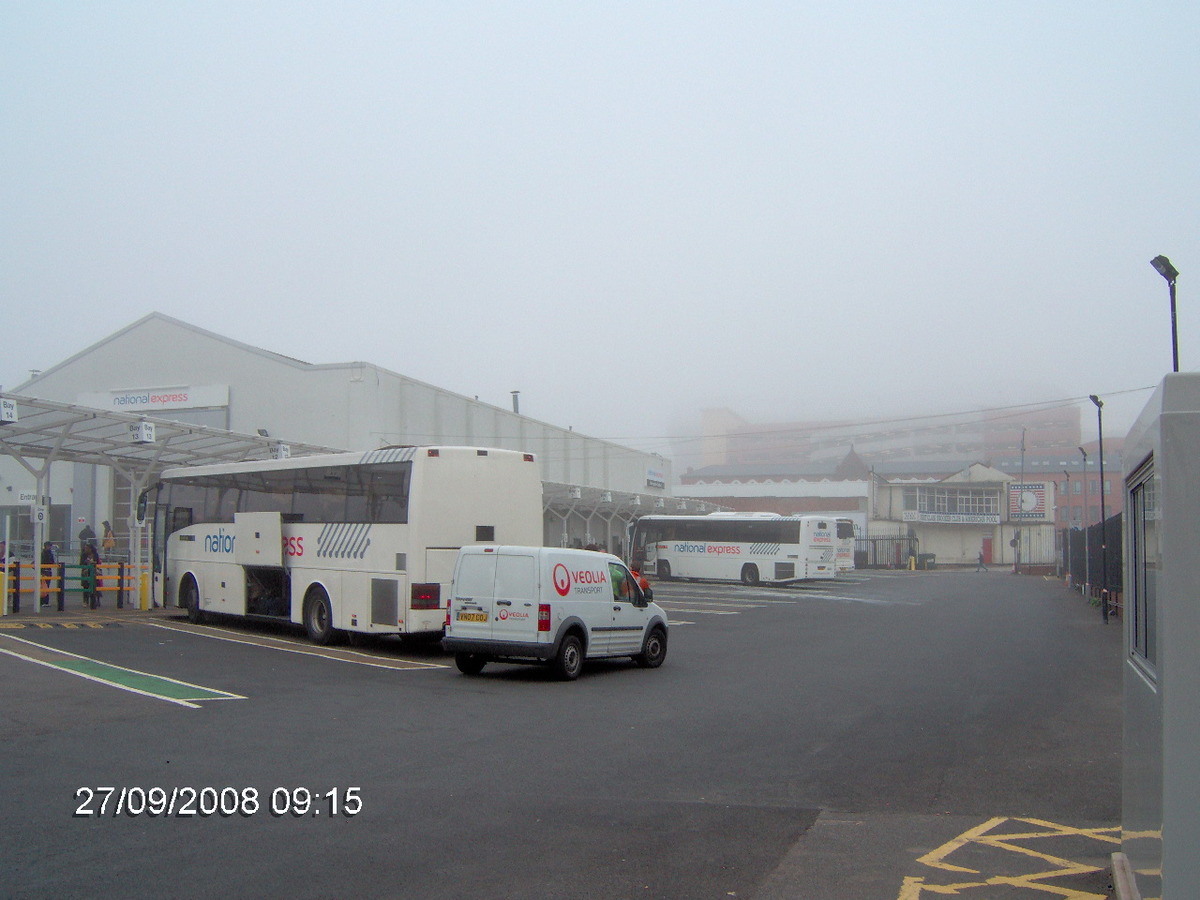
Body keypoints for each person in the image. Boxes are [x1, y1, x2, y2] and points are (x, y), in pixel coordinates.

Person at [80, 543, 103, 608]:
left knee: (96, 586)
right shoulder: (83, 555)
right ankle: (85, 601)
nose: (85, 549)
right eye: (85, 548)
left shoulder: (95, 554)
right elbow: (81, 563)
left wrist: (94, 564)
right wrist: (87, 563)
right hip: (86, 572)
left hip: (94, 572)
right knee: (86, 587)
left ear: (90, 549)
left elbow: (98, 562)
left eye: (87, 548)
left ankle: (96, 601)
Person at [40, 541, 58, 606]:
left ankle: (45, 601)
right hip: (44, 571)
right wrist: (42, 572)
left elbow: (52, 561)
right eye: (49, 546)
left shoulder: (49, 553)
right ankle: (43, 601)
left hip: (48, 570)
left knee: (46, 586)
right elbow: (42, 562)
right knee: (44, 587)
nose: (49, 547)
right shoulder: (43, 554)